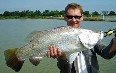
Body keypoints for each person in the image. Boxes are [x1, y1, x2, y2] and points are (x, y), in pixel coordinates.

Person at [46, 3, 116, 73]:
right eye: (70, 17)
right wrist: (62, 57)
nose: (73, 20)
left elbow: (107, 54)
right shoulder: (59, 36)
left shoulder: (89, 36)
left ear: (82, 17)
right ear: (65, 17)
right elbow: (65, 70)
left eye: (77, 17)